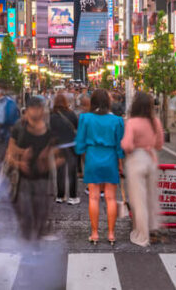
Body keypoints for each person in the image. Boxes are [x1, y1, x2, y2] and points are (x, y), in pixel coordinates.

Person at [7, 96, 62, 242]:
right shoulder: (19, 127)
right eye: (34, 108)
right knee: (25, 215)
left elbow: (60, 154)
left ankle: (35, 242)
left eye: (40, 108)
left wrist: (48, 160)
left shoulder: (51, 128)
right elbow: (9, 155)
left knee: (41, 214)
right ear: (28, 109)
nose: (38, 111)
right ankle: (28, 245)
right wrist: (20, 162)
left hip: (44, 180)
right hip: (23, 180)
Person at [74, 88, 125, 246]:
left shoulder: (85, 118)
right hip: (110, 158)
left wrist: (83, 153)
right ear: (108, 102)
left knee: (93, 197)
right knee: (110, 197)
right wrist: (120, 162)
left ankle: (95, 233)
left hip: (92, 157)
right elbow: (119, 146)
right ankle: (111, 234)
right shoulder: (117, 120)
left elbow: (79, 144)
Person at [121, 91, 165, 247]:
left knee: (138, 200)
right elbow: (160, 144)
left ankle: (142, 234)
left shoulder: (132, 122)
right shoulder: (155, 121)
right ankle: (153, 227)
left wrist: (132, 148)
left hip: (136, 159)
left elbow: (126, 145)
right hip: (151, 158)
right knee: (151, 197)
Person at [50, 93, 80, 204]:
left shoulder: (52, 116)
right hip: (71, 145)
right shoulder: (71, 114)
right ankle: (72, 197)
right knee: (72, 172)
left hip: (58, 146)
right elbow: (77, 127)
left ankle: (60, 196)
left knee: (60, 171)